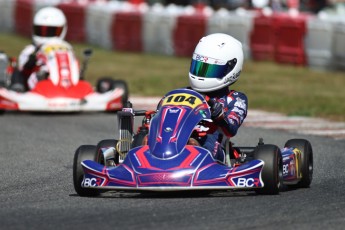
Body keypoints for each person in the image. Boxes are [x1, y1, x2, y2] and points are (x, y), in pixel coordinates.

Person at [188, 33, 248, 164]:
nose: (202, 75)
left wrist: (219, 115)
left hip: (213, 144)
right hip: (177, 138)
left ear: (230, 68)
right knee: (147, 138)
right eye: (199, 67)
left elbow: (231, 129)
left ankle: (192, 152)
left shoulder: (235, 99)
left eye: (211, 70)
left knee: (197, 144)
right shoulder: (185, 93)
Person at [11, 6, 67, 92]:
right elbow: (23, 71)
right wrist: (32, 63)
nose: (45, 34)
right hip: (34, 88)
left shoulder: (66, 49)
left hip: (62, 82)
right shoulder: (30, 50)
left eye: (50, 31)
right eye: (41, 30)